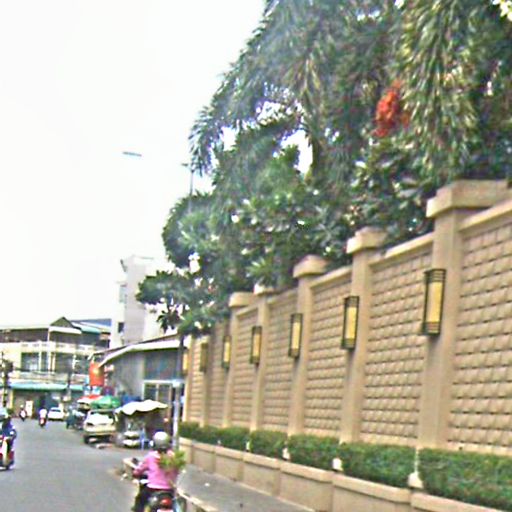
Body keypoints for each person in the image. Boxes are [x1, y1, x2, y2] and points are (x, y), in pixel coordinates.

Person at [132, 431, 179, 512]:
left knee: (140, 500)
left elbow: (140, 469)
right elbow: (177, 471)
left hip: (152, 489)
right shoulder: (173, 457)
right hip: (169, 490)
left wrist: (135, 473)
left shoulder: (151, 456)